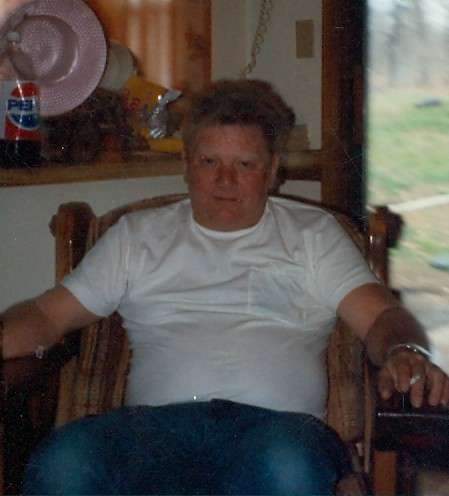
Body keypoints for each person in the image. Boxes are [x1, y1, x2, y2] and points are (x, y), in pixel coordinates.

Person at [2, 78, 449, 495]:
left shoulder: (314, 235)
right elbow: (46, 316)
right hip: (151, 432)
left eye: (245, 164)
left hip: (277, 433)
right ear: (186, 164)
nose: (225, 180)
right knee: (64, 462)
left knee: (289, 469)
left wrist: (403, 351)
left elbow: (382, 317)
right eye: (209, 161)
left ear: (272, 170)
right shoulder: (137, 236)